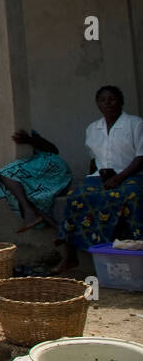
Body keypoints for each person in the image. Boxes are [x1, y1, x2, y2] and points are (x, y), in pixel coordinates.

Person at [57, 85, 143, 272]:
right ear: (97, 104)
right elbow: (94, 159)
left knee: (131, 196)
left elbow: (140, 157)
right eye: (103, 100)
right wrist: (91, 180)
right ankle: (70, 257)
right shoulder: (92, 128)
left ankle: (136, 249)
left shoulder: (135, 123)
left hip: (130, 175)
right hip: (101, 176)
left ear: (120, 101)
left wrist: (119, 178)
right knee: (76, 197)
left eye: (112, 99)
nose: (108, 103)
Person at [0, 125, 72, 233]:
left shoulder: (24, 136)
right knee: (20, 194)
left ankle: (29, 212)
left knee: (3, 176)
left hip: (53, 170)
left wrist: (29, 139)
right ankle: (58, 229)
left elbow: (53, 149)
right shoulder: (9, 158)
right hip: (38, 179)